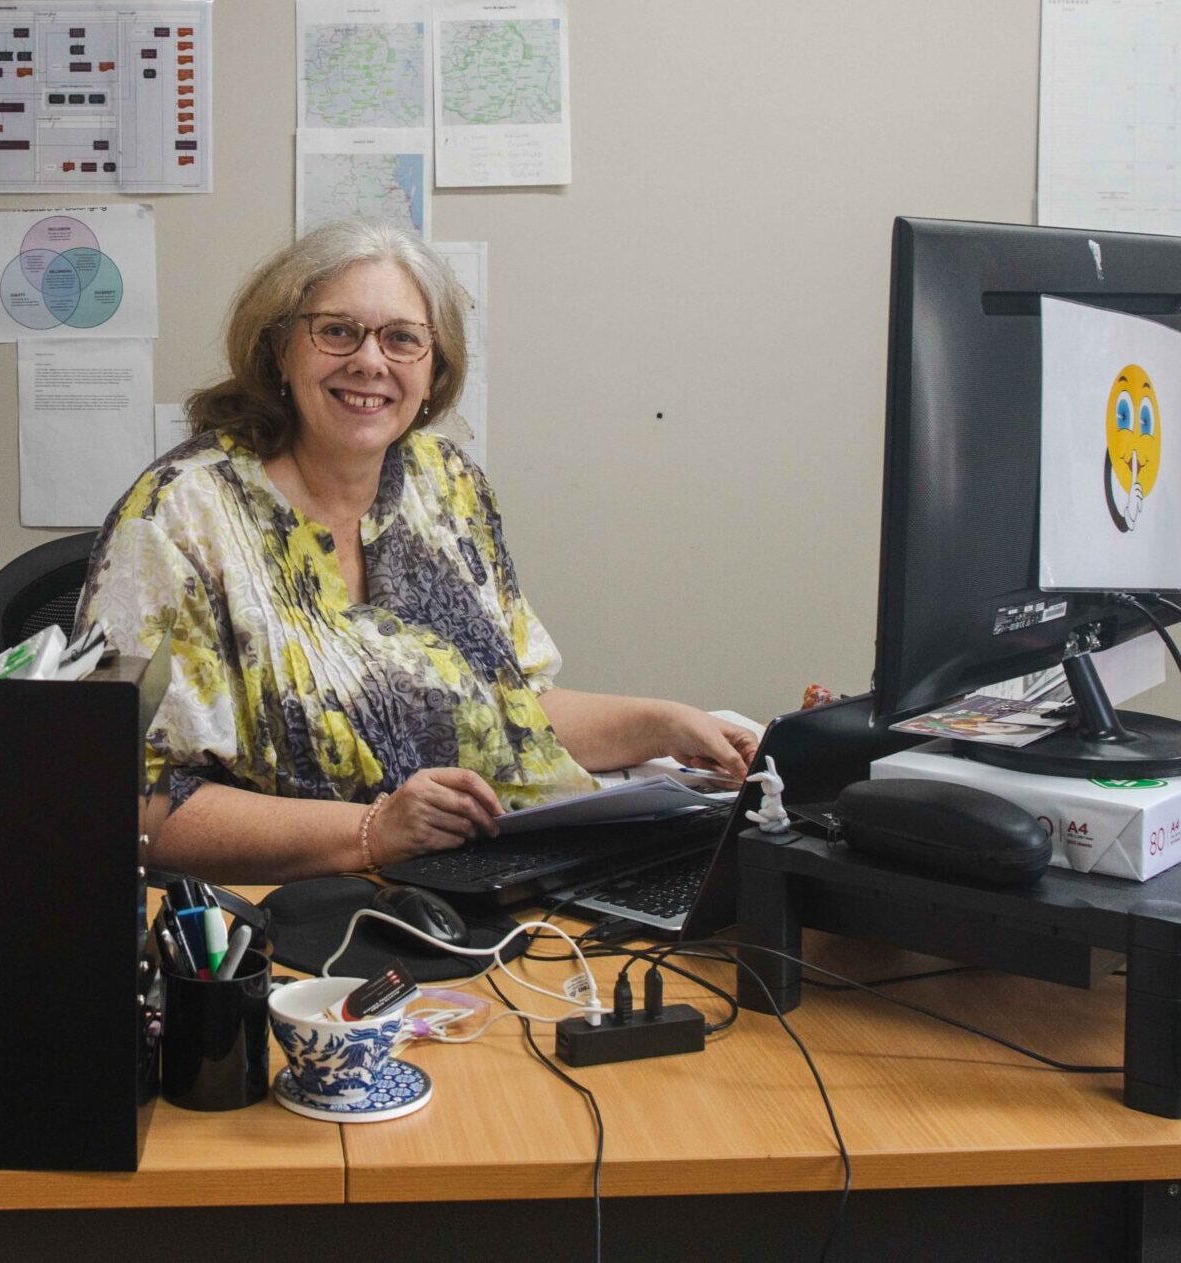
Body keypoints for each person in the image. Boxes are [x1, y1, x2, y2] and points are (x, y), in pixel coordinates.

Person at [78, 220, 756, 883]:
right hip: (281, 916)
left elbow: (507, 712)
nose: (370, 361)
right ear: (280, 350)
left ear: (433, 371)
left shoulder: (445, 485)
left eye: (402, 338)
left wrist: (665, 724)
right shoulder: (177, 516)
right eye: (337, 330)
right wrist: (374, 831)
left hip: (469, 881)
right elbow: (131, 805)